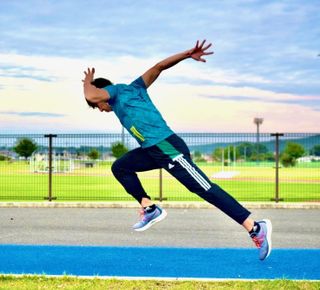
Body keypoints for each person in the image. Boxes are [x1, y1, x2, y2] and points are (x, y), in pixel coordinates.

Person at [82, 40, 272, 260]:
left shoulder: (116, 91)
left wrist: (87, 82)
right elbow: (158, 67)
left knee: (205, 189)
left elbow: (91, 95)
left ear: (103, 93)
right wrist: (186, 54)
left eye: (98, 107)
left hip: (167, 147)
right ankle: (149, 207)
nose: (100, 109)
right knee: (121, 167)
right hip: (152, 150)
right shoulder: (135, 88)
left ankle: (255, 227)